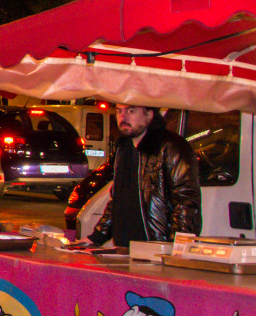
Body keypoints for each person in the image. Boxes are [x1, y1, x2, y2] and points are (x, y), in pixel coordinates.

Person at [83, 104, 201, 248]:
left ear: (149, 115)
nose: (123, 117)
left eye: (131, 111)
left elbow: (186, 201)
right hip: (125, 249)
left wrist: (176, 246)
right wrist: (97, 237)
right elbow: (118, 199)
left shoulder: (172, 147)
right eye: (119, 111)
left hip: (156, 248)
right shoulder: (123, 148)